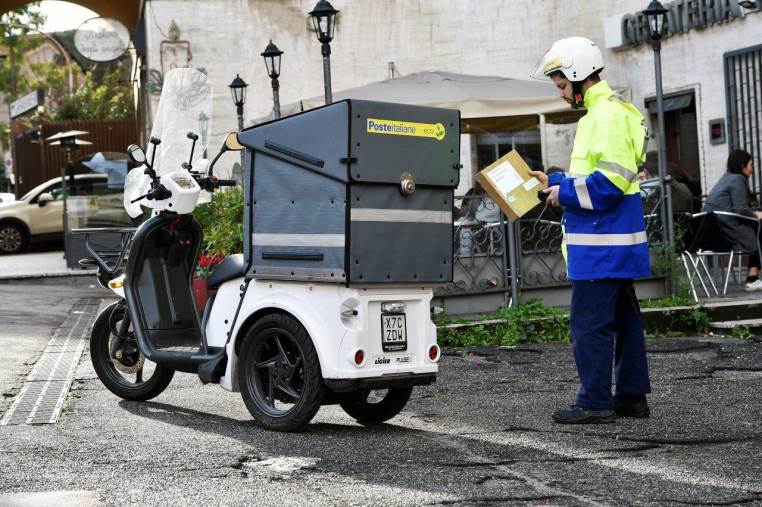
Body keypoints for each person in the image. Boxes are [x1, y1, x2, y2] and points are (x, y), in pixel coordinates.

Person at [530, 36, 651, 424]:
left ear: (581, 76)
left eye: (563, 86)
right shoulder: (611, 113)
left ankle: (595, 401)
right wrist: (552, 179)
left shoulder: (605, 117)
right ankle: (631, 398)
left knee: (591, 327)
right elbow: (599, 177)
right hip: (614, 243)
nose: (563, 94)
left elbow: (610, 185)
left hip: (600, 247)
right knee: (625, 324)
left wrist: (561, 191)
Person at [703, 149, 762, 291]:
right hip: (727, 232)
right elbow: (740, 209)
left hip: (711, 234)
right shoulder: (738, 179)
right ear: (742, 166)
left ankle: (752, 277)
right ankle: (752, 278)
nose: (752, 169)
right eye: (751, 165)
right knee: (760, 228)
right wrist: (756, 215)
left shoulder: (726, 178)